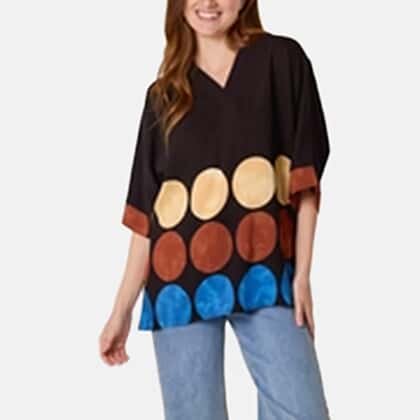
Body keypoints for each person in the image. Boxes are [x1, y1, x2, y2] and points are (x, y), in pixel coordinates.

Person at [99, 1, 331, 419]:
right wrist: (121, 310)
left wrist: (302, 277)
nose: (207, 3)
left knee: (303, 411)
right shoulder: (164, 96)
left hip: (266, 269)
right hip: (177, 281)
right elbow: (147, 217)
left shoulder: (281, 60)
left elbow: (305, 177)